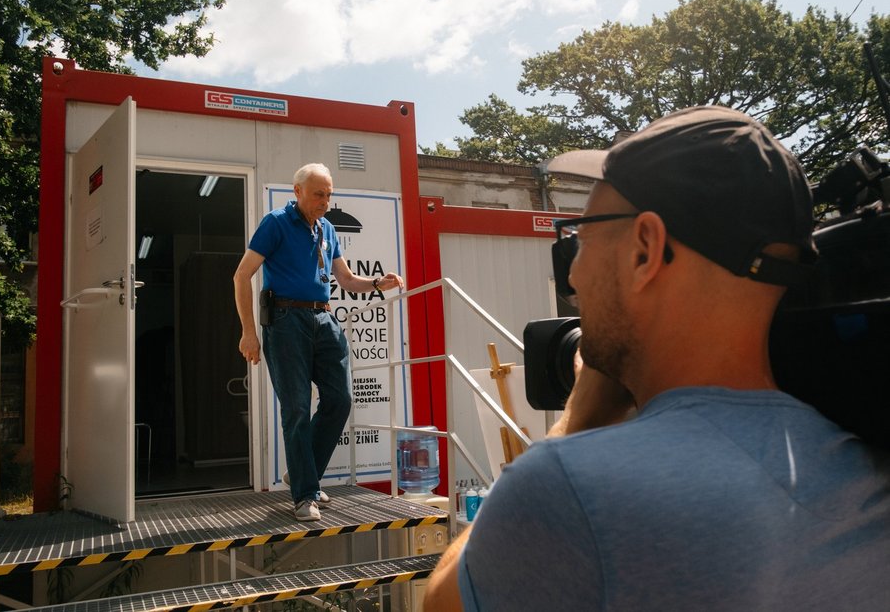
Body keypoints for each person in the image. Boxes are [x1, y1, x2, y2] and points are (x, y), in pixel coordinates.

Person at [425, 106, 890, 610]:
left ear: (646, 248)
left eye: (582, 238)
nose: (574, 277)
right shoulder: (864, 452)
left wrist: (578, 420)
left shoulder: (571, 487)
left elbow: (438, 602)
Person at [233, 163, 403, 522]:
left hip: (323, 318)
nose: (325, 202)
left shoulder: (326, 228)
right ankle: (305, 494)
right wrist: (248, 332)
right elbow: (242, 275)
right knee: (295, 408)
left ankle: (300, 475)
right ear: (297, 192)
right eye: (318, 194)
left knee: (339, 400)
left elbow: (345, 279)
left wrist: (376, 284)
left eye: (329, 194)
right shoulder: (276, 223)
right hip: (285, 320)